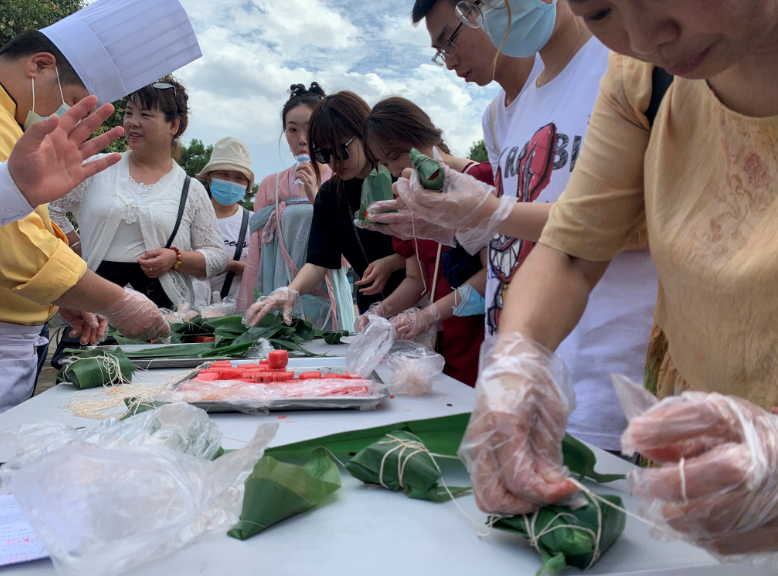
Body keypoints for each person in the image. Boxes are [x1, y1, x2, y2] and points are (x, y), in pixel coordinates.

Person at [445, 0, 778, 557]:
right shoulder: (640, 77)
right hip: (695, 455)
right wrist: (517, 364)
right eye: (600, 13)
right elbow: (572, 250)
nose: (648, 37)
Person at [388, 0, 657, 452]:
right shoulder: (507, 110)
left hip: (609, 377)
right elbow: (523, 229)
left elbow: (643, 219)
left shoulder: (622, 66)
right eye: (475, 8)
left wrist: (490, 212)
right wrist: (460, 227)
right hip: (525, 373)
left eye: (453, 35)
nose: (486, 15)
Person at [0, 0, 200, 412]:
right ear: (39, 65)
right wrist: (115, 301)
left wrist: (63, 297)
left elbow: (23, 223)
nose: (67, 114)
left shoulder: (13, 123)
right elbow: (14, 247)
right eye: (73, 99)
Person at [50, 79, 228, 310]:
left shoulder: (190, 189)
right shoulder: (99, 167)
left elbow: (217, 257)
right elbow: (49, 209)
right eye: (128, 113)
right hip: (94, 303)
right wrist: (77, 248)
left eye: (145, 115)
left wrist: (176, 259)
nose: (132, 122)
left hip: (165, 310)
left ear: (173, 125)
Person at [246, 91, 406, 327]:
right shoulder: (330, 195)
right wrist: (291, 291)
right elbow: (320, 260)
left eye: (341, 150)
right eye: (322, 154)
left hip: (420, 299)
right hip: (373, 308)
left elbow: (432, 248)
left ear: (363, 132)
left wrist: (394, 261)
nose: (334, 162)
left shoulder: (398, 176)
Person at [359, 96, 486, 386]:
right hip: (437, 346)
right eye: (384, 162)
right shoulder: (411, 194)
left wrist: (428, 314)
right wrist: (380, 312)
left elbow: (493, 274)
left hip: (478, 337)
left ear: (421, 137)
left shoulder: (476, 180)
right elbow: (417, 280)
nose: (393, 170)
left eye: (396, 155)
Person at [411, 0, 541, 173]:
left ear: (483, 8)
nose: (450, 64)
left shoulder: (573, 65)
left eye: (450, 40)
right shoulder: (493, 119)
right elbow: (508, 199)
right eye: (441, 52)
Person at [193, 137, 254, 306]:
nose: (231, 182)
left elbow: (261, 269)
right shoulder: (188, 217)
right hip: (187, 316)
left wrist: (231, 266)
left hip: (234, 320)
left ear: (247, 185)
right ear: (209, 177)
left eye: (239, 178)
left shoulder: (253, 222)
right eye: (224, 174)